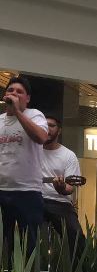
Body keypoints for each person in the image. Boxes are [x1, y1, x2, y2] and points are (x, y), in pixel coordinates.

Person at [0, 76, 48, 260]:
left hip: (27, 191)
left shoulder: (35, 115)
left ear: (27, 98)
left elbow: (41, 137)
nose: (14, 94)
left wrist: (18, 112)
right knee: (5, 245)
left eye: (19, 92)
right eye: (11, 90)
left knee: (29, 247)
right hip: (2, 190)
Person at [41, 115, 87, 268]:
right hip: (34, 199)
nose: (47, 128)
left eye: (51, 125)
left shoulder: (68, 155)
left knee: (76, 236)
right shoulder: (32, 150)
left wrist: (61, 188)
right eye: (44, 125)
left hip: (59, 202)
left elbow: (69, 188)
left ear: (59, 130)